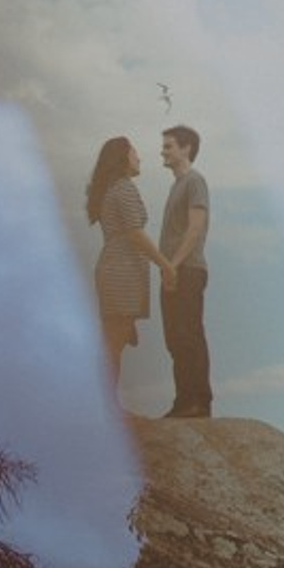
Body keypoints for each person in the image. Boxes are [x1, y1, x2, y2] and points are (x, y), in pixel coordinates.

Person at [86, 136, 175, 400]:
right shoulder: (123, 188)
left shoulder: (112, 189)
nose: (139, 158)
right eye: (135, 153)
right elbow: (135, 233)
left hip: (116, 268)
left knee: (113, 340)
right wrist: (165, 265)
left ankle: (104, 403)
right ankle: (105, 406)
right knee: (113, 343)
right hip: (121, 271)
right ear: (122, 158)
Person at [159, 124, 212, 418]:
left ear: (186, 148)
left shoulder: (195, 181)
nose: (163, 152)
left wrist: (173, 264)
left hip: (188, 270)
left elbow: (195, 228)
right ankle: (183, 401)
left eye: (168, 146)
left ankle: (199, 401)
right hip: (173, 271)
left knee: (189, 334)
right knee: (174, 338)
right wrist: (168, 269)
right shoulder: (176, 185)